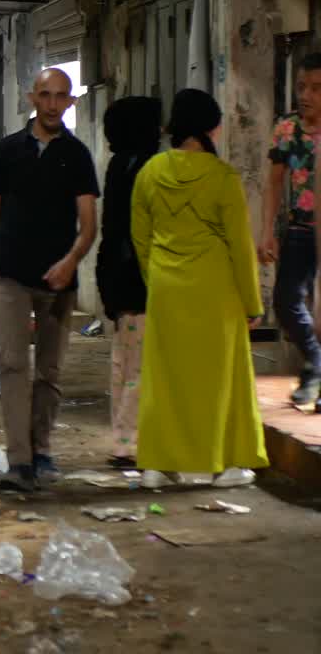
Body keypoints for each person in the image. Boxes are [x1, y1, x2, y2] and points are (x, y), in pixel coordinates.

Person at [0, 68, 99, 493]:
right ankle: (20, 462)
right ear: (32, 98)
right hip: (10, 275)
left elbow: (88, 224)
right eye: (45, 95)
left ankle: (42, 448)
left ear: (70, 102)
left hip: (57, 282)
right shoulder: (9, 150)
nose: (51, 103)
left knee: (48, 372)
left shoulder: (78, 155)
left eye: (60, 97)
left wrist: (71, 261)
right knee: (12, 365)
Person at [131, 88, 268, 488]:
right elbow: (240, 247)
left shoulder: (150, 173)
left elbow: (141, 239)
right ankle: (223, 467)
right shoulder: (222, 177)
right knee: (222, 378)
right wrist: (252, 301)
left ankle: (157, 465)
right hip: (216, 291)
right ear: (211, 127)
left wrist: (156, 278)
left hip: (166, 287)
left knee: (164, 379)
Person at [95, 96, 163, 470]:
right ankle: (128, 444)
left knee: (123, 360)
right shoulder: (149, 166)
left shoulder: (118, 164)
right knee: (137, 365)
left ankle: (123, 437)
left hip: (117, 277)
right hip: (139, 277)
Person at [260, 53, 321, 409]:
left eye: (316, 88)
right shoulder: (287, 129)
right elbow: (273, 184)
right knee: (285, 302)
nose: (306, 94)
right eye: (301, 87)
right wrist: (266, 231)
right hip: (299, 230)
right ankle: (316, 364)